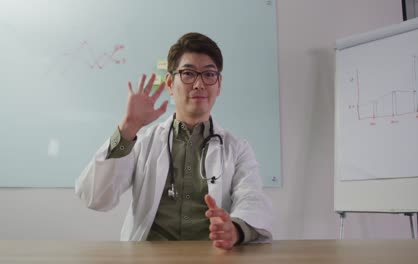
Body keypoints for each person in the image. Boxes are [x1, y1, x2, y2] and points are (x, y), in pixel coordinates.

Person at [76, 32, 272, 249]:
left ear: (219, 84)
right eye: (188, 73)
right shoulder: (141, 141)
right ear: (170, 83)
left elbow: (252, 199)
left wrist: (234, 230)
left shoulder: (237, 149)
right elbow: (95, 197)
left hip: (212, 257)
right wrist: (128, 128)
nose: (199, 84)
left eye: (208, 75)